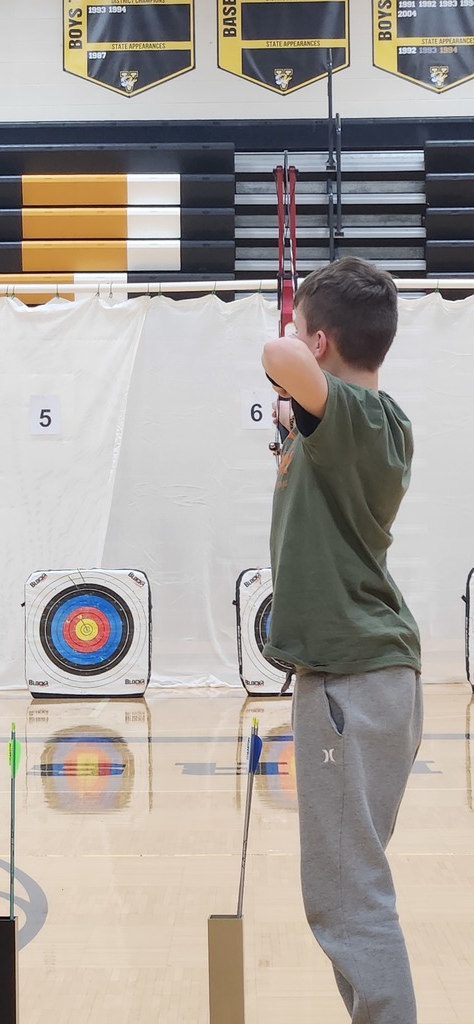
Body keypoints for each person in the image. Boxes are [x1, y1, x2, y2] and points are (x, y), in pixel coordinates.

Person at [261, 256, 423, 1024]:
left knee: (345, 895)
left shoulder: (350, 417)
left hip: (348, 684)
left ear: (321, 342)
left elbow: (278, 357)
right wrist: (299, 414)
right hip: (378, 677)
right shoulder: (376, 424)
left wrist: (291, 347)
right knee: (353, 883)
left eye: (303, 328)